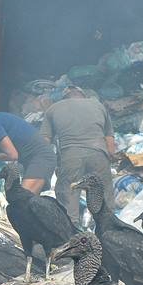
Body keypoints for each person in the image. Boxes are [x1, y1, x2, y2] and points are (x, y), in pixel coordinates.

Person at [41, 87, 117, 223]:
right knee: (103, 192)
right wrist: (111, 156)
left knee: (69, 193)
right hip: (98, 154)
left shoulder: (53, 109)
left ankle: (71, 229)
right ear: (83, 95)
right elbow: (109, 137)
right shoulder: (97, 105)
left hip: (71, 156)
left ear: (65, 97)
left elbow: (45, 140)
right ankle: (108, 226)